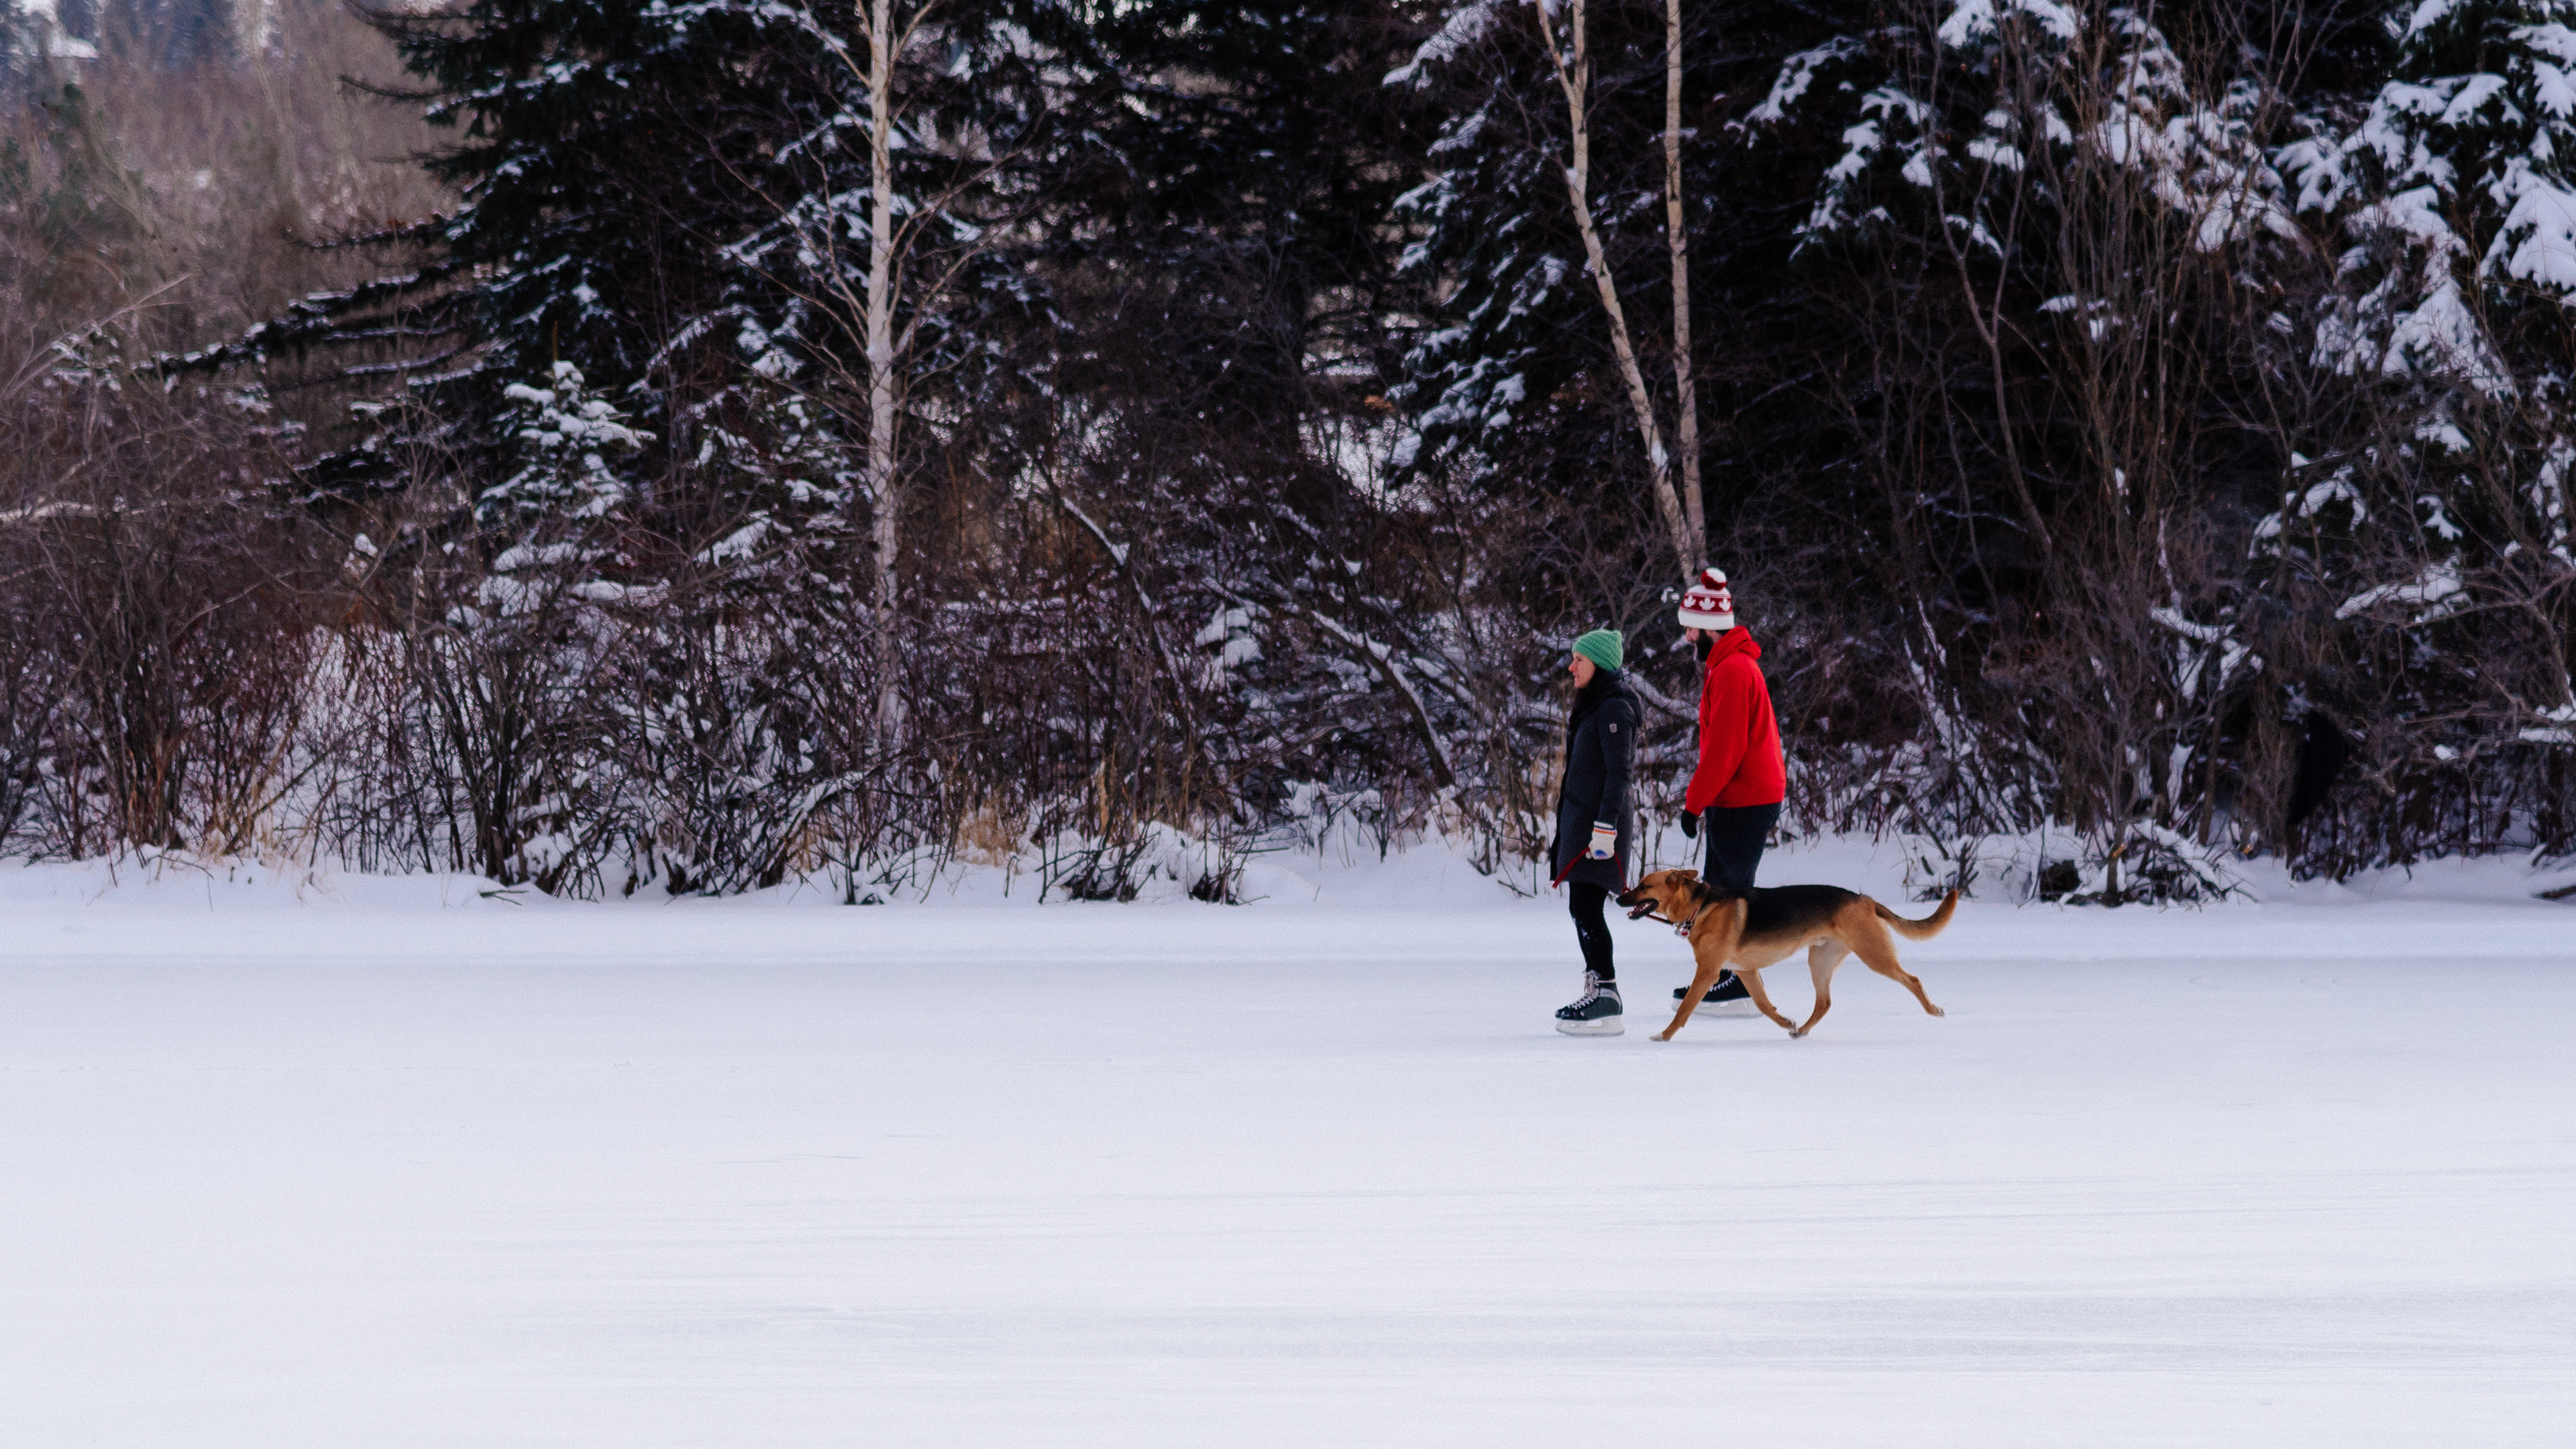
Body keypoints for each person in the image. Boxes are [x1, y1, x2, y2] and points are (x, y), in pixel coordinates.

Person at [1672, 567, 1786, 1014]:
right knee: (1719, 893)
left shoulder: (1735, 670)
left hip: (1746, 798)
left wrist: (1693, 804)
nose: (1686, 639)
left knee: (1730, 895)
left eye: (1689, 629)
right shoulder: (1727, 666)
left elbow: (1725, 749)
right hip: (1736, 798)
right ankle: (1720, 976)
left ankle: (1738, 984)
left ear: (1707, 628)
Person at [1550, 629, 1638, 1036]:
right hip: (1584, 825)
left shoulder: (1614, 708)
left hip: (1600, 830)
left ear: (1599, 664)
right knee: (1581, 909)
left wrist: (1606, 828)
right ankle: (1600, 987)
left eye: (1579, 660)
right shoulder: (1595, 706)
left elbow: (1620, 773)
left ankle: (1606, 993)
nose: (1571, 667)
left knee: (1586, 909)